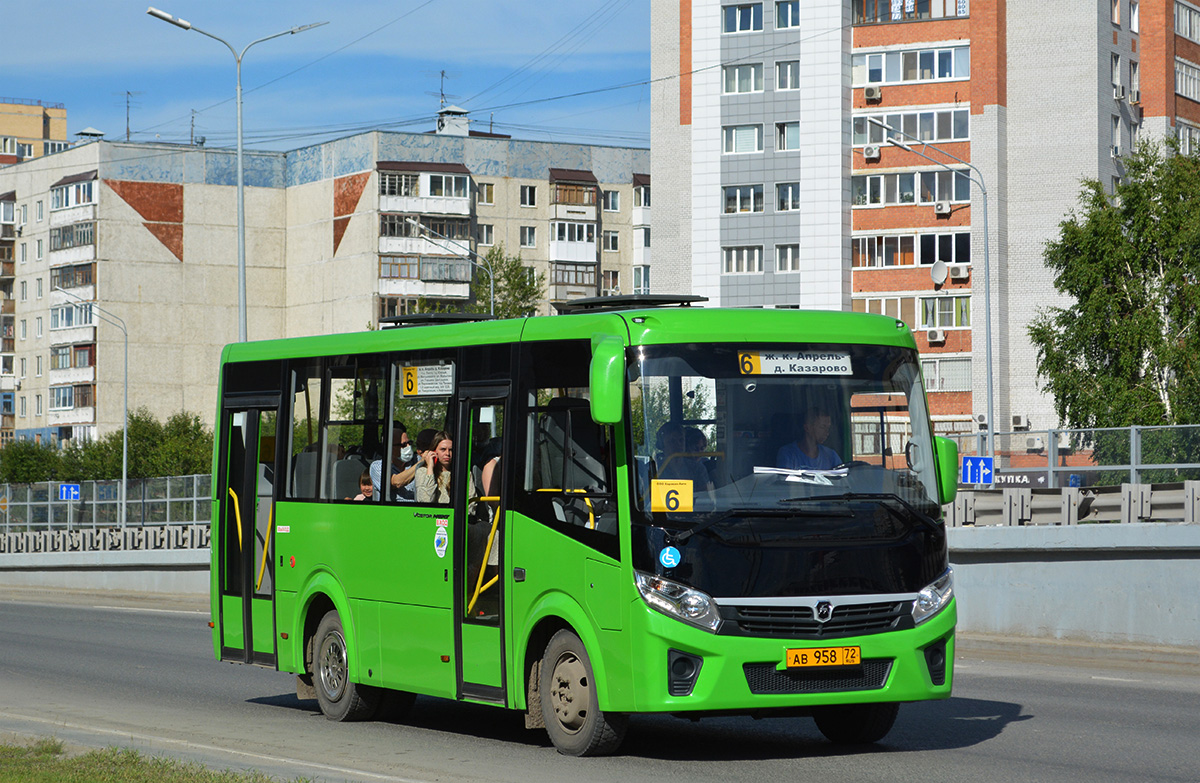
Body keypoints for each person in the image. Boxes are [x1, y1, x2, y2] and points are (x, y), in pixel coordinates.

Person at [777, 407, 842, 470]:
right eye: (822, 427)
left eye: (828, 428)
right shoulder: (788, 454)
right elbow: (785, 479)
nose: (827, 432)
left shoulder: (831, 456)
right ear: (807, 428)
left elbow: (842, 479)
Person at [370, 422, 417, 501]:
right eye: (403, 445)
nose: (408, 447)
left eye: (409, 443)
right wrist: (419, 464)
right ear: (390, 447)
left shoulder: (417, 460)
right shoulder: (378, 466)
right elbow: (396, 482)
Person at [415, 431, 454, 504]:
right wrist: (430, 467)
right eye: (443, 449)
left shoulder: (463, 473)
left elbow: (470, 504)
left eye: (451, 450)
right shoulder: (422, 472)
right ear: (434, 451)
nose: (447, 453)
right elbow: (426, 501)